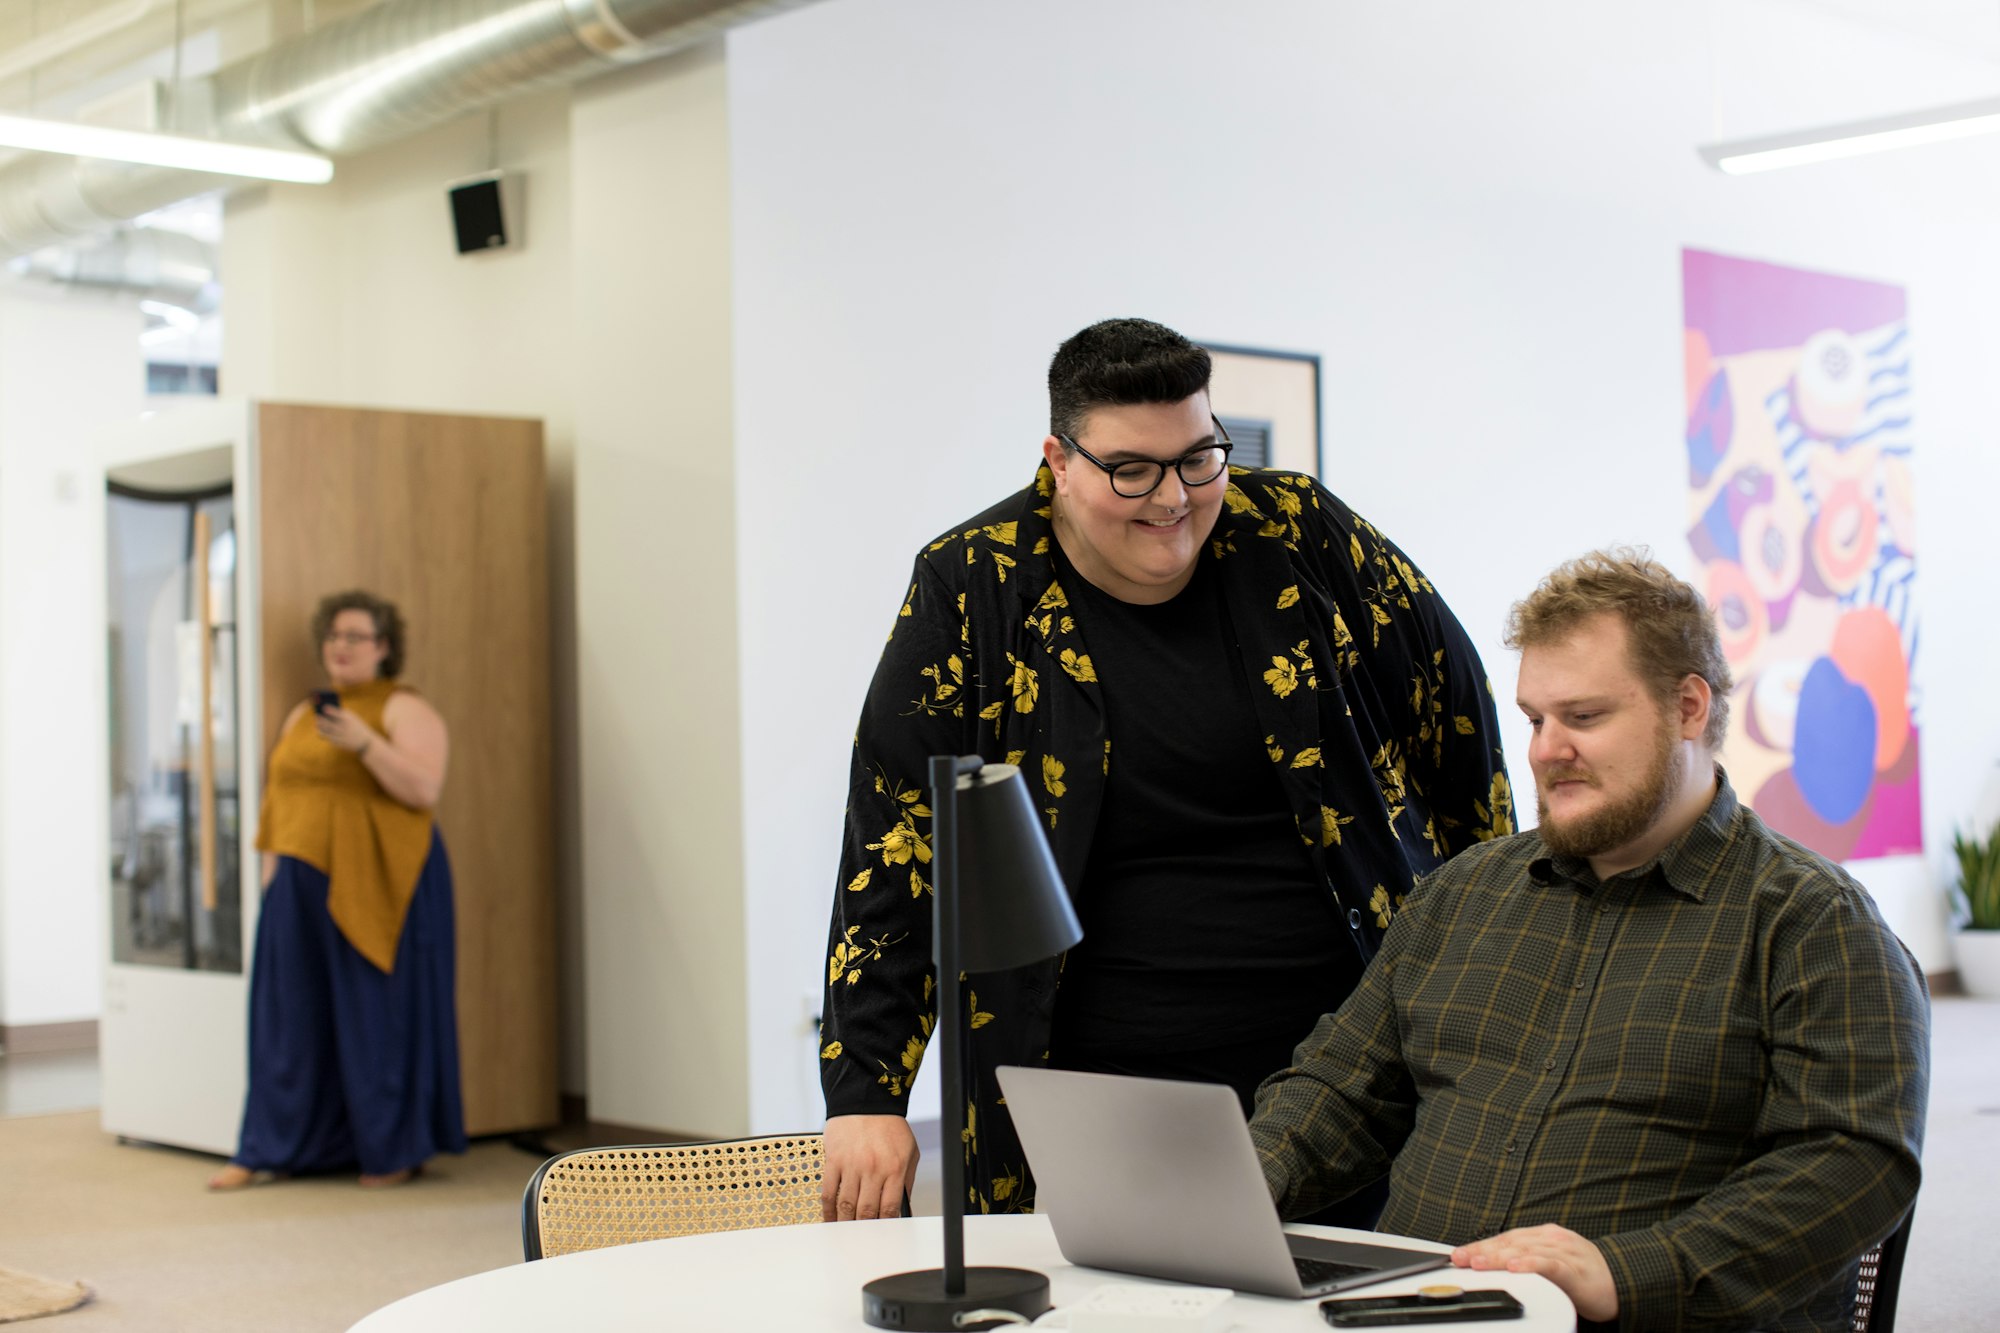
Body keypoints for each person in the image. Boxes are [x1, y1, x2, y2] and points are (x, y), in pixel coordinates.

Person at [818, 317, 1513, 1224]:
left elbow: (1456, 726)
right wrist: (867, 1090)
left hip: (1345, 1066)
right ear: (1058, 460)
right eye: (1131, 470)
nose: (1173, 497)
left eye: (1198, 458)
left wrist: (1496, 963)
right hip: (1101, 1077)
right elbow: (899, 840)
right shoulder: (975, 587)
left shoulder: (1299, 533)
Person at [1247, 549, 1929, 1331]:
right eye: (1536, 718)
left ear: (1688, 707)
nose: (1545, 748)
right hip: (1406, 1313)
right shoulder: (1463, 893)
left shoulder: (1811, 922)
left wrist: (1625, 1271)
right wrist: (1238, 1189)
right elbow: (1338, 1088)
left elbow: (1853, 1163)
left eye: (1585, 716)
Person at [208, 591, 466, 1190]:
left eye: (356, 636)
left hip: (380, 881)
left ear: (383, 647)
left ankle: (392, 1150)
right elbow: (280, 797)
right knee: (288, 1020)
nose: (341, 647)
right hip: (297, 882)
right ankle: (269, 1148)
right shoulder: (304, 714)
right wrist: (272, 881)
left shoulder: (402, 708)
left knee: (378, 1016)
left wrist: (365, 743)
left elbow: (425, 790)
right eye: (333, 637)